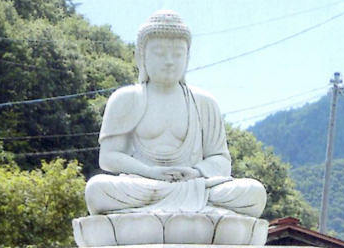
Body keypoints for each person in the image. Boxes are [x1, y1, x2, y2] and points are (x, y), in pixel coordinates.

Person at [84, 10, 267, 219]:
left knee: (254, 193)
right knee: (97, 190)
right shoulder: (126, 98)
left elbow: (221, 160)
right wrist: (150, 172)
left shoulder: (203, 102)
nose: (169, 61)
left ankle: (155, 213)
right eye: (160, 53)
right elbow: (108, 157)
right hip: (143, 185)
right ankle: (190, 214)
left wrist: (196, 172)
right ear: (141, 56)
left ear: (187, 57)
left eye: (178, 54)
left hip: (195, 186)